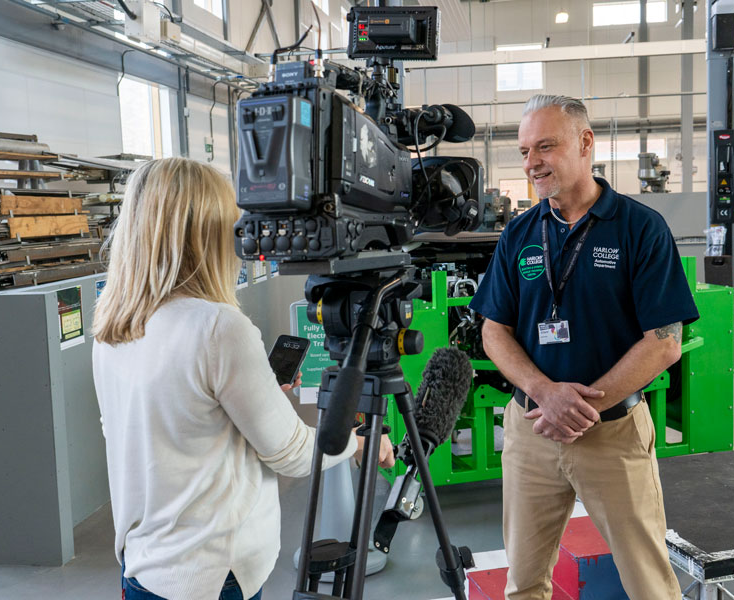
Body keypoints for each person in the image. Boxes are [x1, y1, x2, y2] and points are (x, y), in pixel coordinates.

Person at [92, 157, 394, 600]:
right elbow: (290, 454)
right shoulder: (217, 328)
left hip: (144, 567)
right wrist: (360, 444)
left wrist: (256, 398)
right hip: (212, 576)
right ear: (207, 234)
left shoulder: (112, 327)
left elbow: (163, 430)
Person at [469, 95, 699, 600]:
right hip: (531, 433)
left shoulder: (641, 229)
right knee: (523, 583)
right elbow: (493, 330)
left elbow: (664, 343)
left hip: (612, 435)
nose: (531, 163)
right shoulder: (520, 234)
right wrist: (544, 393)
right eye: (525, 150)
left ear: (585, 143)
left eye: (545, 147)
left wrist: (578, 405)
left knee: (649, 582)